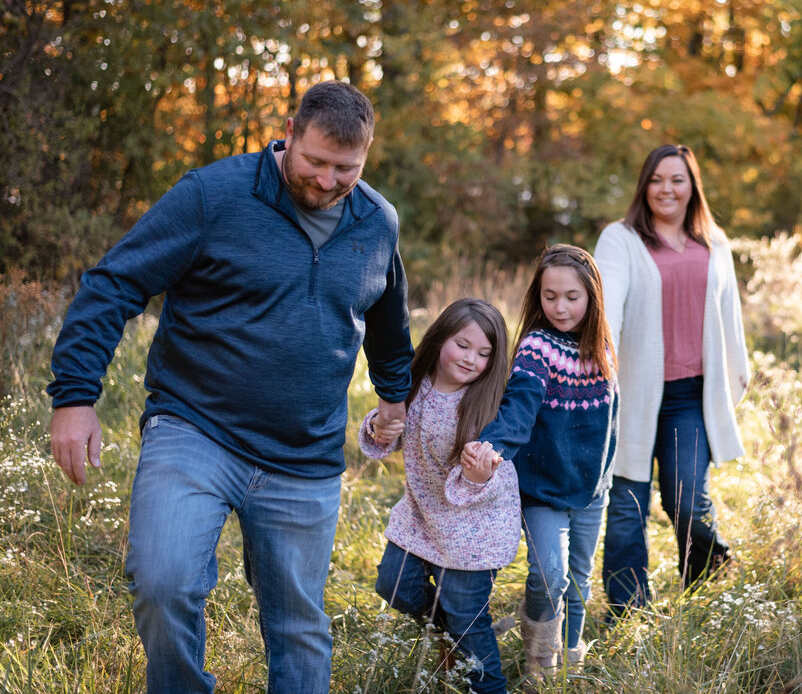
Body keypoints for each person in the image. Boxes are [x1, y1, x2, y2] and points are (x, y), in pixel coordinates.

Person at [46, 81, 415, 694]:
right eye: (315, 163)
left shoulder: (377, 222)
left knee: (298, 626)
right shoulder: (213, 195)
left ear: (367, 156)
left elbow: (388, 317)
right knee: (163, 582)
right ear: (289, 133)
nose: (326, 182)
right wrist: (75, 396)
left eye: (345, 169)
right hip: (196, 429)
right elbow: (113, 285)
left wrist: (394, 395)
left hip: (304, 453)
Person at [594, 144, 750, 619]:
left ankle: (706, 584)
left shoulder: (714, 244)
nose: (666, 188)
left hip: (690, 396)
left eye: (677, 179)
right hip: (632, 392)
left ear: (691, 186)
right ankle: (629, 610)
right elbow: (609, 303)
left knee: (687, 500)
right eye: (657, 179)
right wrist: (603, 365)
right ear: (645, 185)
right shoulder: (620, 240)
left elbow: (730, 316)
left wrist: (736, 377)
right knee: (626, 506)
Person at [462, 244, 618, 680]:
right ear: (538, 296)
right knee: (551, 575)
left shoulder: (603, 349)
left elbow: (610, 422)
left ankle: (571, 657)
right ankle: (540, 664)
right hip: (543, 487)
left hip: (591, 488)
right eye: (550, 296)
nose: (561, 307)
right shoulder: (536, 347)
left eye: (572, 297)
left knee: (579, 579)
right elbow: (517, 407)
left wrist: (605, 474)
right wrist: (491, 447)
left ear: (592, 296)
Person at [360, 298, 518, 694]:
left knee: (468, 620)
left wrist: (481, 475)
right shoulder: (413, 382)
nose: (470, 359)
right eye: (462, 345)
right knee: (393, 584)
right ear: (440, 338)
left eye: (484, 354)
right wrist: (379, 428)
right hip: (423, 516)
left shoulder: (487, 408)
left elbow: (502, 478)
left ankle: (489, 685)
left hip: (475, 531)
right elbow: (388, 428)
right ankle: (451, 631)